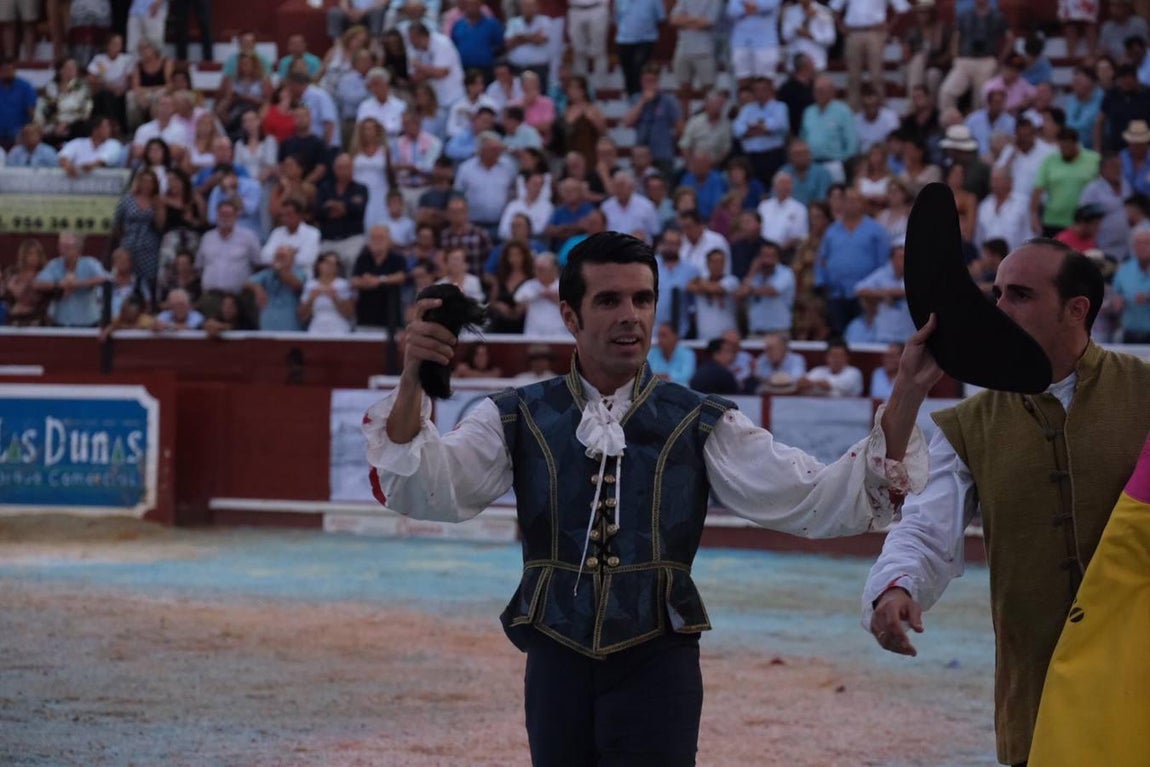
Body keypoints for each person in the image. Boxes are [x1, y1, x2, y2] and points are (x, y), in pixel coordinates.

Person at [362, 231, 940, 765]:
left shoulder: (700, 420)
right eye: (610, 301)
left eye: (642, 300)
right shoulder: (516, 415)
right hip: (555, 657)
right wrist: (414, 375)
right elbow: (427, 485)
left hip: (658, 661)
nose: (630, 317)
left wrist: (910, 389)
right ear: (570, 314)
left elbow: (819, 494)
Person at [864, 239, 1150, 767]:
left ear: (1076, 309)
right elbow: (926, 529)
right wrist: (896, 585)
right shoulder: (968, 424)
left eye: (1019, 295)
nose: (998, 310)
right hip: (1036, 689)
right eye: (996, 294)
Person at [33, 232, 109, 328]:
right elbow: (37, 283)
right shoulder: (54, 265)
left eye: (67, 247)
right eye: (61, 246)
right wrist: (59, 285)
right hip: (60, 322)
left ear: (77, 249)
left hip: (87, 323)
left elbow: (104, 278)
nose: (63, 250)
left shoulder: (90, 263)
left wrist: (78, 283)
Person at [797, 336, 864, 396]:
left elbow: (829, 385)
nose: (836, 359)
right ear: (827, 357)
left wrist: (814, 385)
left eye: (840, 356)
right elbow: (802, 384)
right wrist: (804, 383)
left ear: (847, 357)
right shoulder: (818, 371)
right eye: (833, 356)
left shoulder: (854, 373)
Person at [647, 321, 696, 385]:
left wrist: (665, 376)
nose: (660, 339)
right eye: (658, 335)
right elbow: (647, 375)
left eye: (664, 335)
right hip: (656, 392)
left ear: (675, 337)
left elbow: (686, 376)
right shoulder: (651, 353)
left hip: (680, 392)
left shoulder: (688, 354)